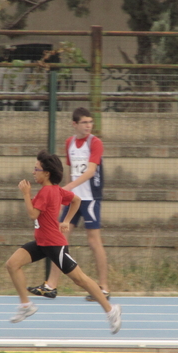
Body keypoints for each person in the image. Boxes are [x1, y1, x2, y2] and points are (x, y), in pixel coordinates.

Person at [5, 150, 121, 334]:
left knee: (80, 279)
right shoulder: (56, 190)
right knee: (12, 264)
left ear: (47, 173)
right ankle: (26, 305)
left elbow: (32, 214)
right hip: (42, 243)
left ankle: (110, 310)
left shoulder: (46, 192)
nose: (33, 172)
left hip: (54, 245)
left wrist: (26, 194)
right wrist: (66, 221)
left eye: (37, 169)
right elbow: (76, 200)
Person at [27, 107, 110, 302]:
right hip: (73, 199)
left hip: (89, 198)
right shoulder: (70, 143)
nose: (88, 126)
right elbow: (72, 168)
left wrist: (68, 187)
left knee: (93, 241)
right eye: (84, 122)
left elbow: (90, 171)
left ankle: (104, 287)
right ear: (74, 124)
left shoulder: (95, 143)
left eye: (90, 122)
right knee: (59, 238)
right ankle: (51, 286)